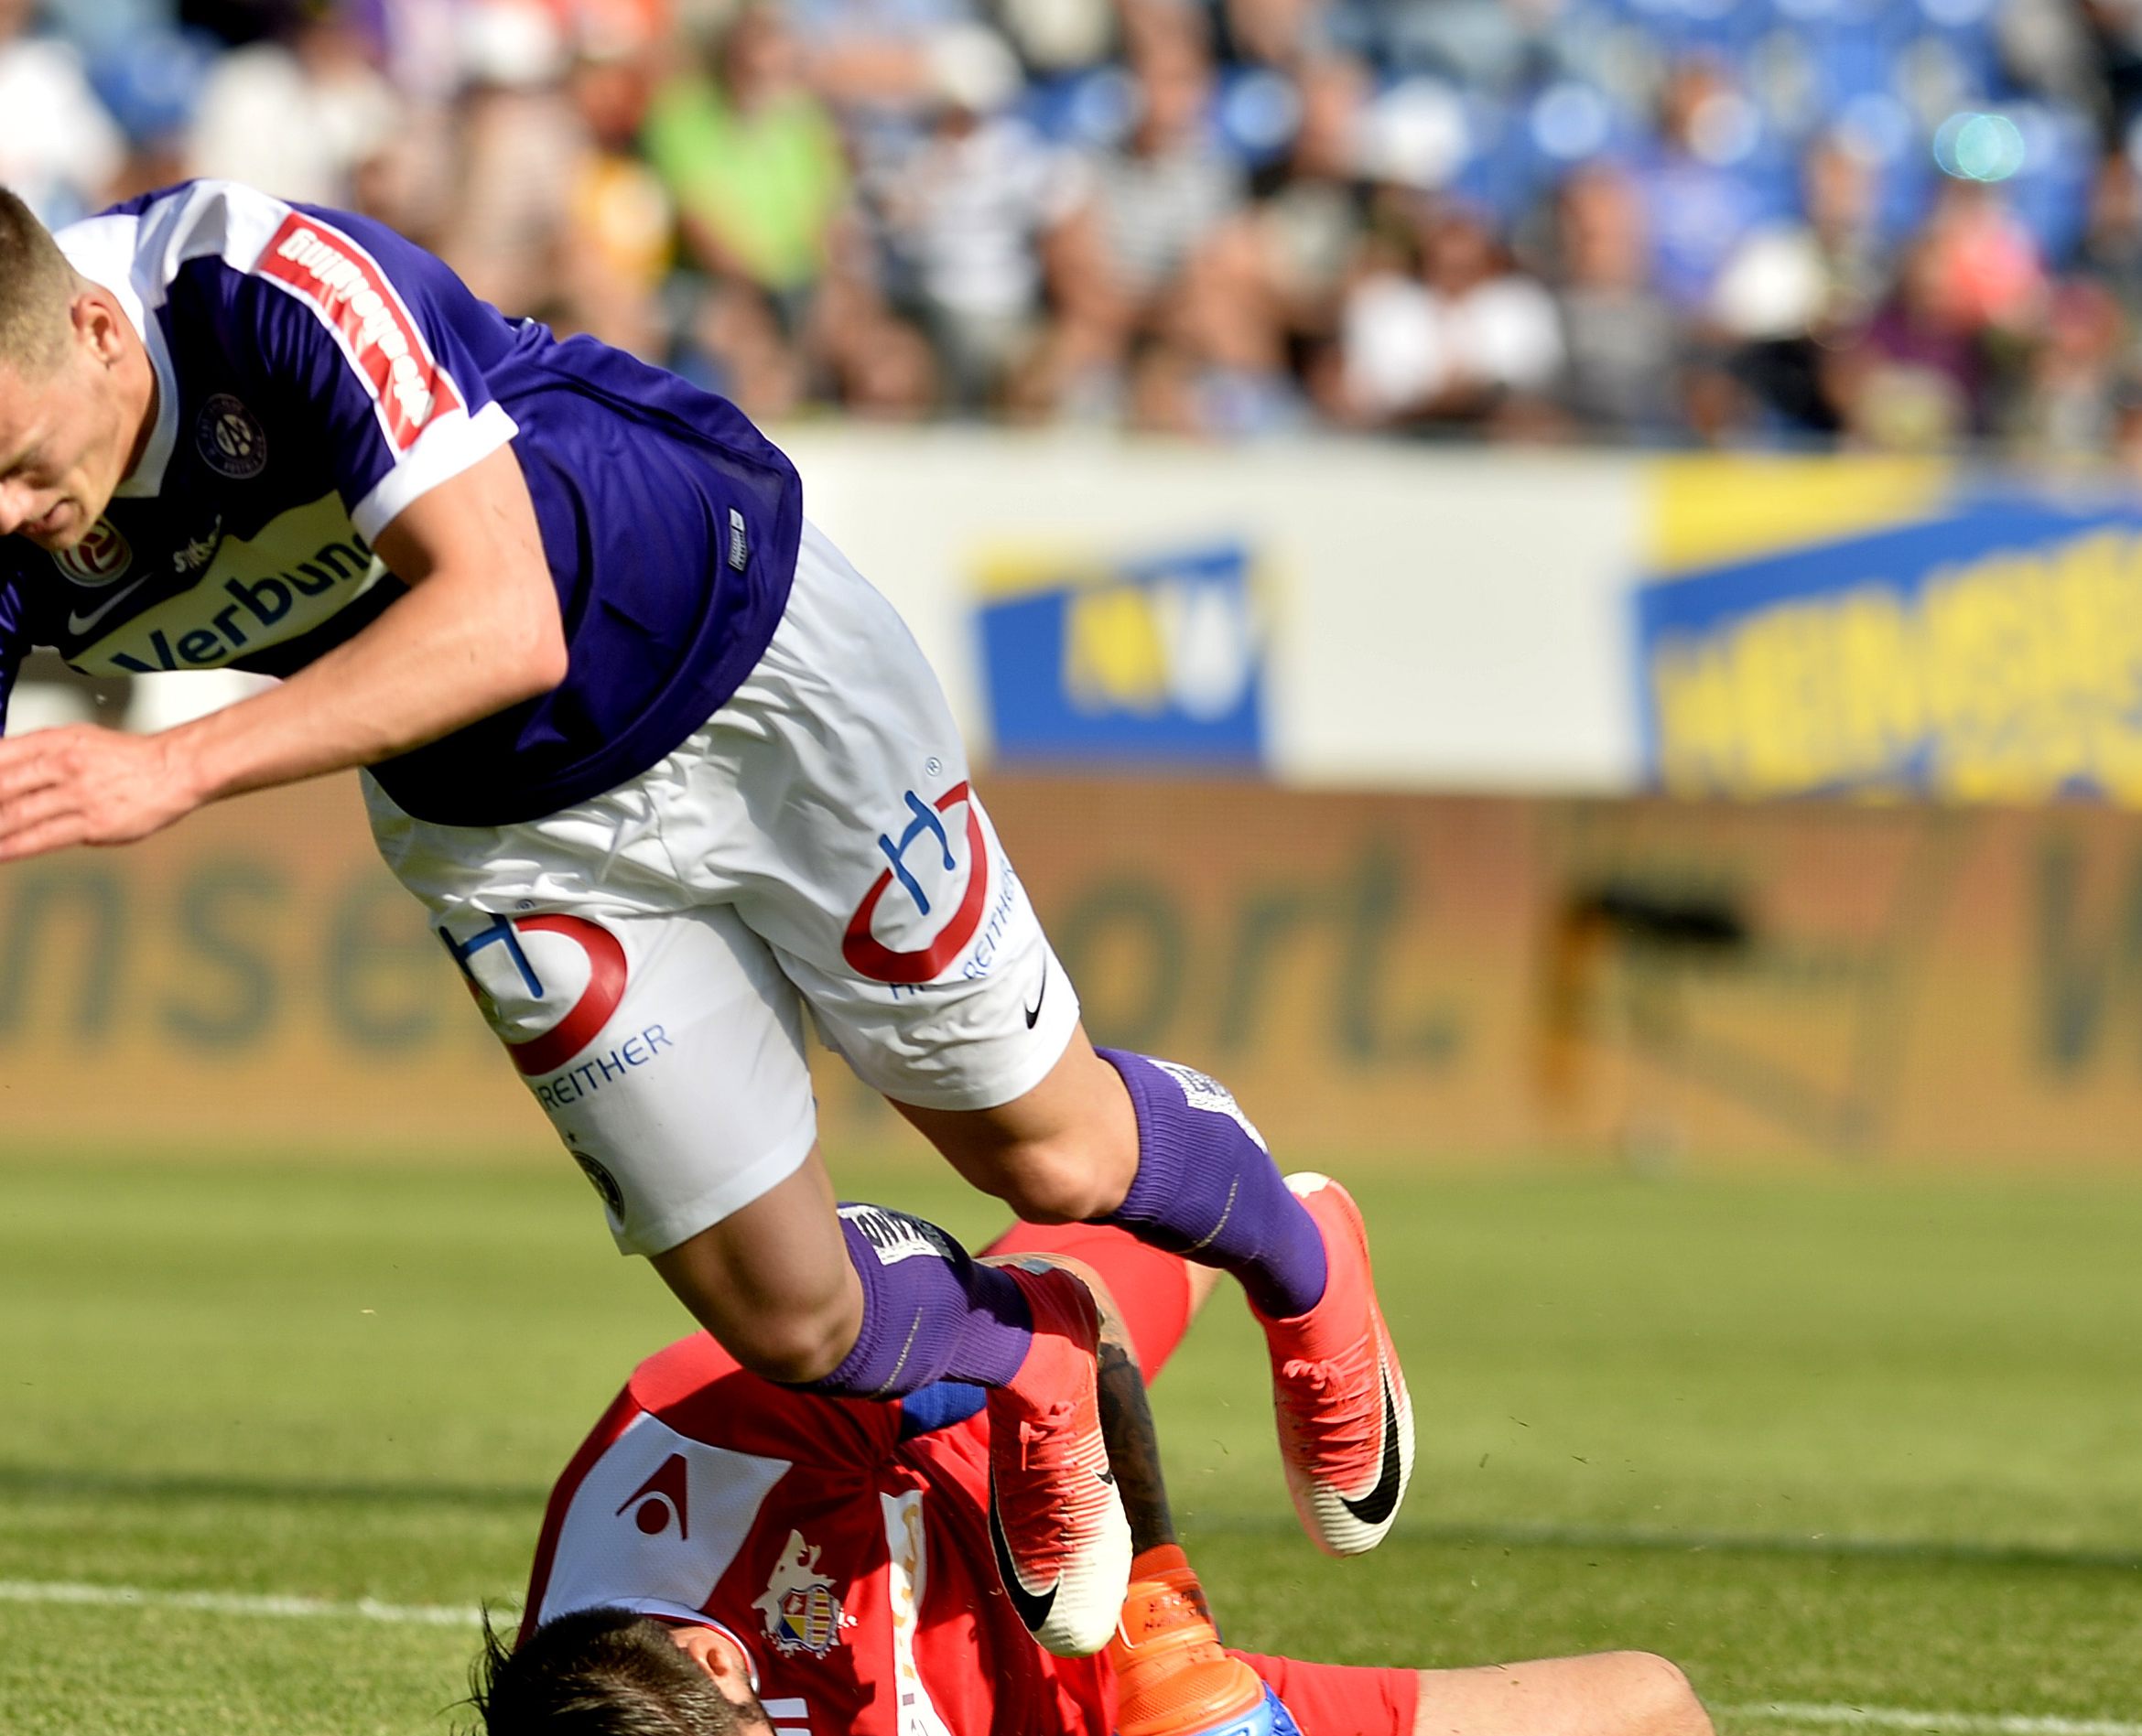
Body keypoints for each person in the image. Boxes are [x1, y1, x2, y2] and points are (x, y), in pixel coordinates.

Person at [0, 175, 1412, 1661]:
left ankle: (1299, 1253)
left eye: (26, 467)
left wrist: (168, 767)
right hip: (504, 831)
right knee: (794, 1319)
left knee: (1044, 1150)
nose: (16, 519)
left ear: (100, 331)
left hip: (744, 665)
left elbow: (501, 619)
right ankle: (1039, 1361)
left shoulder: (259, 287)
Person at [455, 1219, 1717, 1736]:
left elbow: (1060, 1326)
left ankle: (1310, 1267)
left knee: (1148, 1203)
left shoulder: (702, 1443)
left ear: (720, 1657)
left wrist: (1164, 1628)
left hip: (985, 1484)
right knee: (1656, 1733)